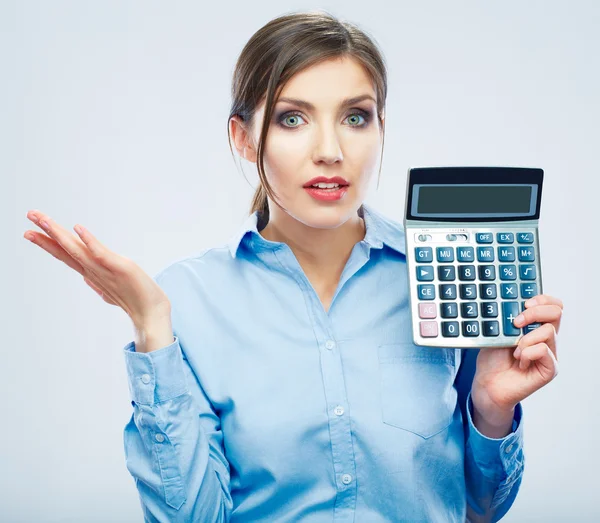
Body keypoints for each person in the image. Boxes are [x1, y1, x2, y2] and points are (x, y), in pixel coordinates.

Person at [24, 10, 563, 523]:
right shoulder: (189, 299)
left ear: (380, 128)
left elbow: (478, 508)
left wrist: (491, 411)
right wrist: (151, 327)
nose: (330, 150)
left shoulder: (446, 277)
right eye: (292, 118)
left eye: (356, 117)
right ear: (242, 137)